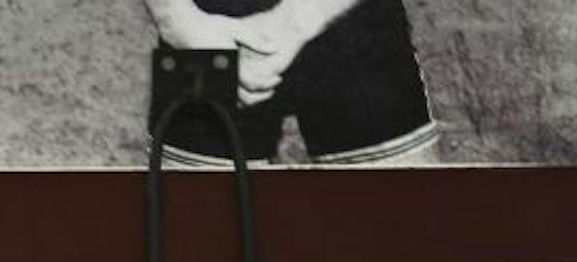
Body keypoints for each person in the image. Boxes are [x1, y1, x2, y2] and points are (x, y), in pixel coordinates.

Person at [144, 0, 441, 164]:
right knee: (197, 239)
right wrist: (174, 17)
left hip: (350, 23)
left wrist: (295, 23)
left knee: (397, 235)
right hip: (205, 29)